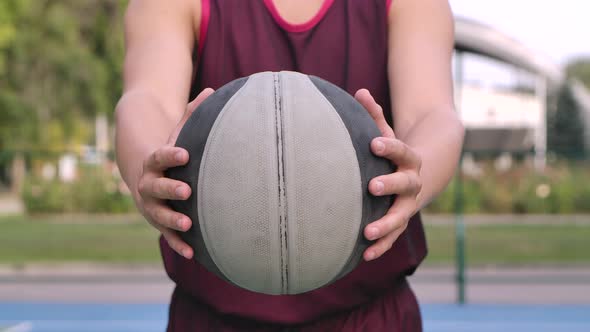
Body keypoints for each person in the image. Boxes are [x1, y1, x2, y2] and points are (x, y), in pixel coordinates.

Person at [115, 0, 464, 330]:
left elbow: (431, 114)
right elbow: (147, 99)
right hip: (212, 318)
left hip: (369, 317)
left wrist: (413, 174)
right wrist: (147, 162)